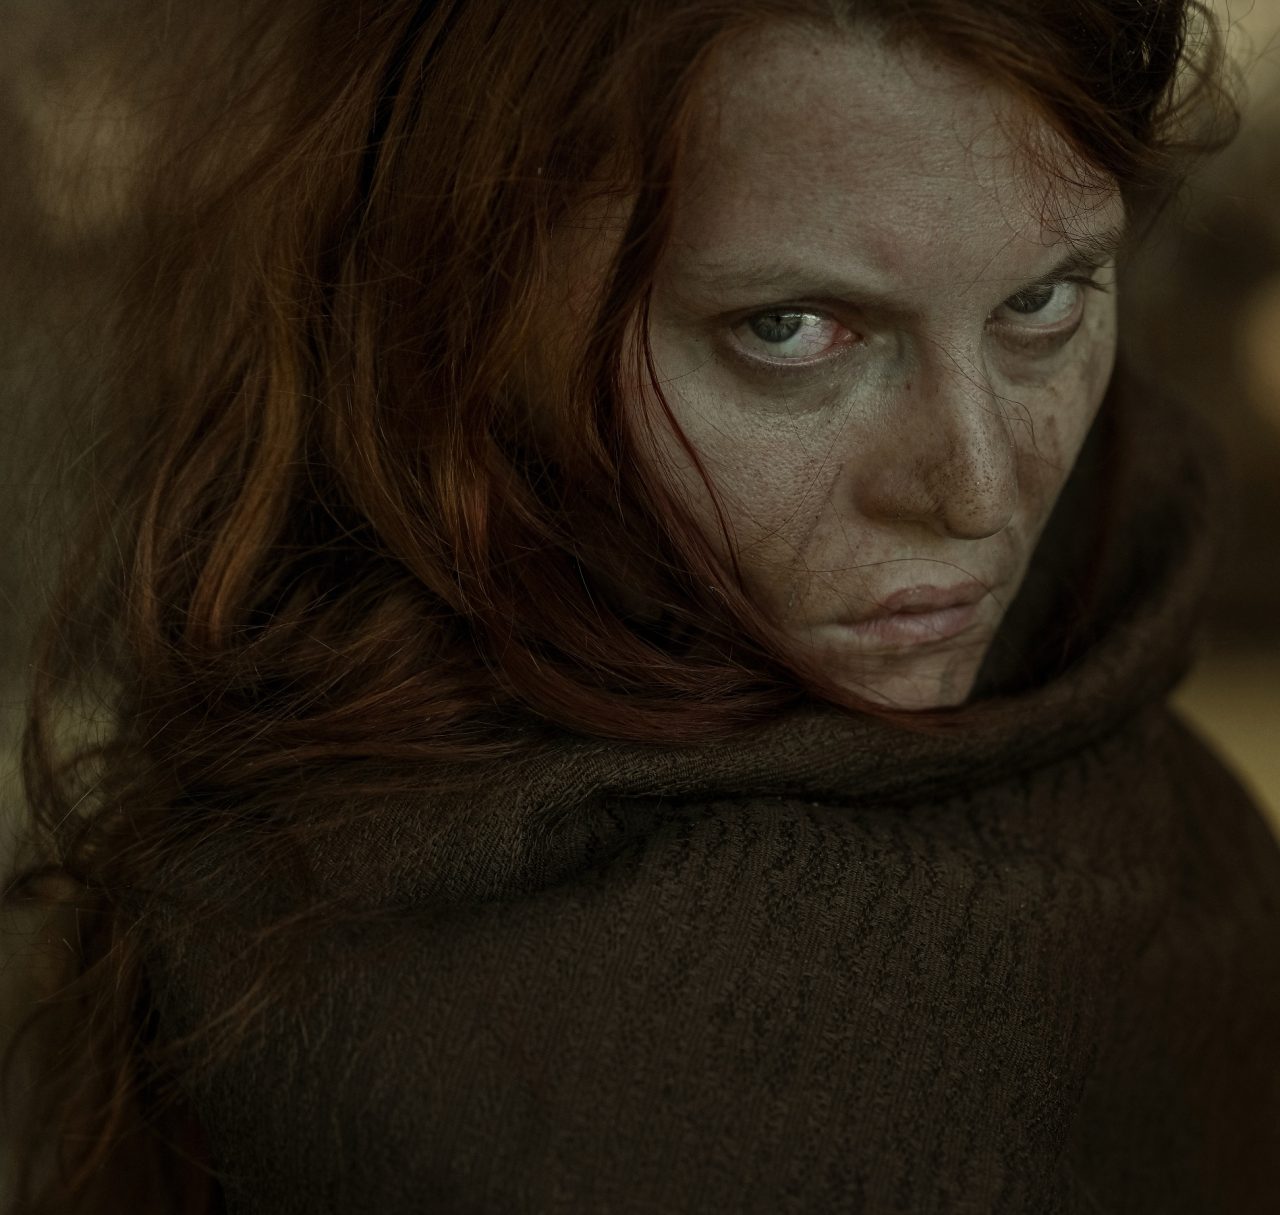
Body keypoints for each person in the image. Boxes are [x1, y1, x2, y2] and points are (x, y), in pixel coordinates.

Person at [5, 0, 1279, 1211]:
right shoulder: (327, 953)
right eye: (787, 328)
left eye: (1039, 302)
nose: (976, 490)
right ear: (469, 305)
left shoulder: (1109, 652)